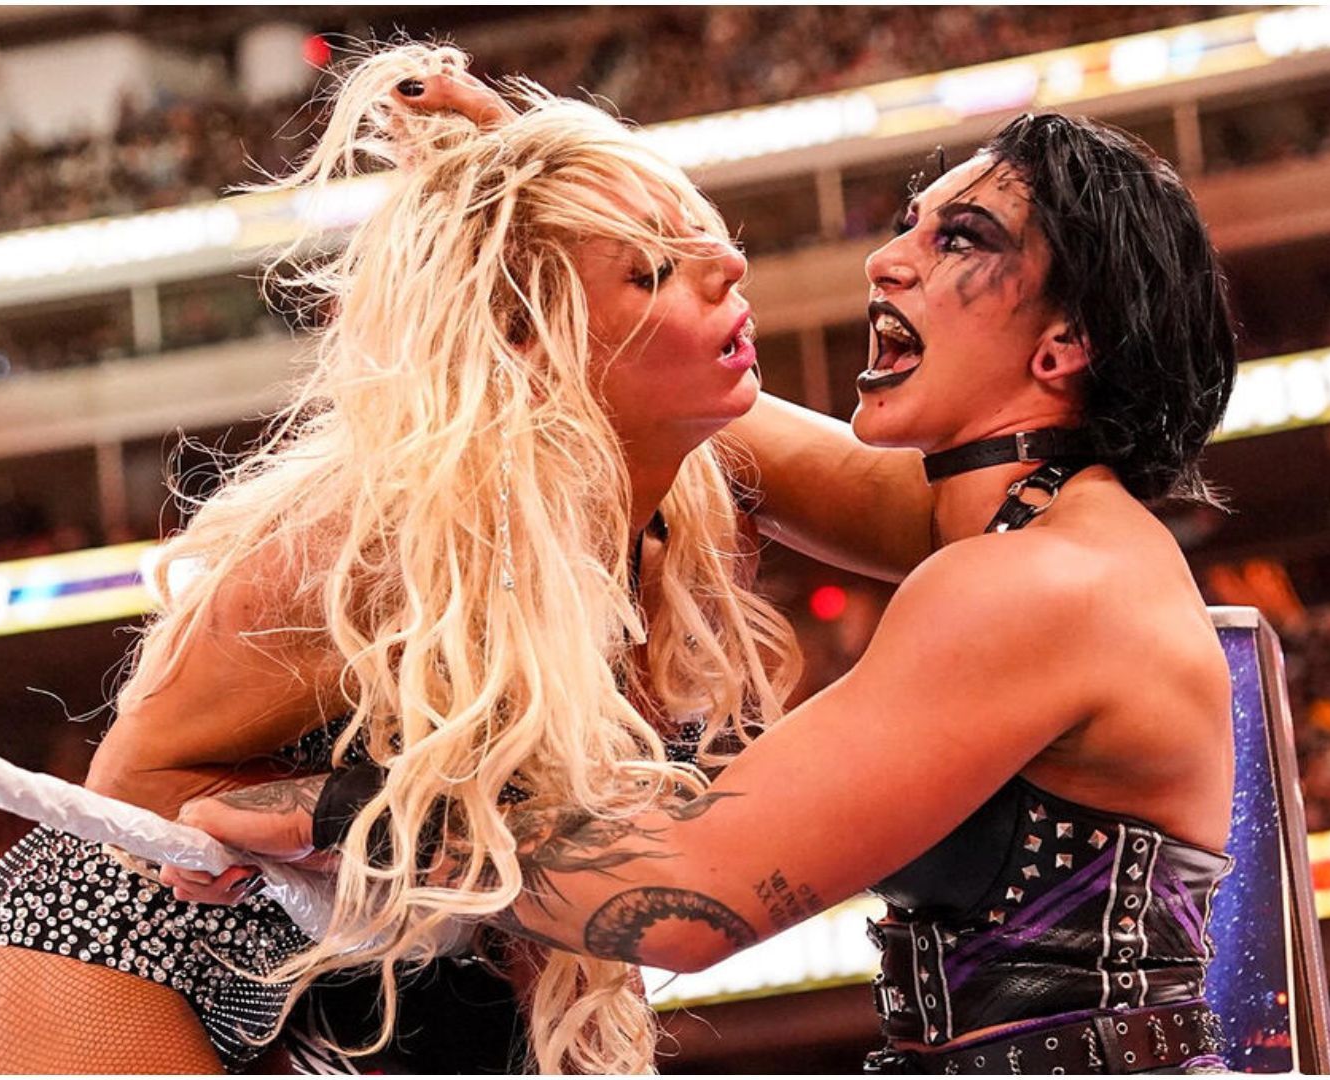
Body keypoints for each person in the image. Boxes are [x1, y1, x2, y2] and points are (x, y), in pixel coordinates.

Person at [169, 88, 1243, 1076]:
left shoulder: (1040, 582)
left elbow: (684, 898)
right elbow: (660, 377)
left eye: (959, 238)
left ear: (1064, 344)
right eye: (909, 219)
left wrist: (348, 808)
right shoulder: (1037, 534)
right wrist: (542, 205)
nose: (887, 259)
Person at [0, 43, 810, 1075]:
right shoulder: (382, 539)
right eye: (651, 267)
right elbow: (131, 797)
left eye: (704, 242)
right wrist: (316, 819)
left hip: (392, 981)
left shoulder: (665, 515)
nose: (728, 268)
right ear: (527, 336)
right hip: (124, 960)